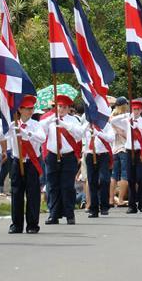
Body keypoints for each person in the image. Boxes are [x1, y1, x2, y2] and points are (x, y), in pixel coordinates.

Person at [40, 95, 84, 225]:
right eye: (59, 106)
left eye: (64, 107)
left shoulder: (73, 120)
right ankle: (53, 214)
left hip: (68, 155)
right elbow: (41, 132)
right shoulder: (49, 119)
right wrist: (50, 121)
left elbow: (79, 134)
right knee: (53, 186)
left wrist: (64, 124)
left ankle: (69, 214)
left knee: (67, 186)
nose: (61, 109)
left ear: (69, 108)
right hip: (53, 154)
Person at [7, 95, 46, 234]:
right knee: (16, 193)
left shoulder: (36, 125)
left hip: (31, 161)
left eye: (32, 108)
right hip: (17, 161)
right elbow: (1, 137)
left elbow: (42, 138)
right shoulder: (13, 125)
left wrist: (26, 132)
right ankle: (16, 224)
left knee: (33, 194)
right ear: (20, 109)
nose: (30, 111)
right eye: (27, 108)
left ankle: (32, 225)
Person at [110, 99, 142, 213]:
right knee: (131, 178)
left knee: (141, 178)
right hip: (129, 151)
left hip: (140, 151)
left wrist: (138, 126)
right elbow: (113, 121)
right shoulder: (127, 120)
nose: (136, 111)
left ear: (141, 110)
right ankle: (132, 205)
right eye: (134, 109)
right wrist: (127, 115)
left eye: (138, 109)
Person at [83, 119, 115, 218]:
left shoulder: (106, 125)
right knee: (92, 182)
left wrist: (99, 133)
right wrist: (86, 127)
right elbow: (78, 134)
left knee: (104, 179)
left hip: (103, 155)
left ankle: (104, 206)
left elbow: (111, 138)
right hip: (90, 154)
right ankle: (94, 208)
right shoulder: (86, 125)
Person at [110, 97, 129, 207]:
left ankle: (111, 199)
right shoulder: (124, 117)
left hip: (114, 148)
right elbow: (124, 134)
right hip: (124, 147)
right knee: (124, 175)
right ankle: (121, 199)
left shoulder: (112, 117)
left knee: (114, 175)